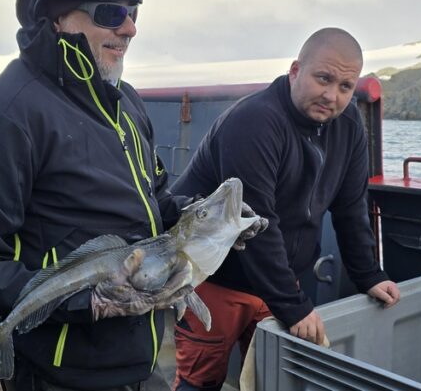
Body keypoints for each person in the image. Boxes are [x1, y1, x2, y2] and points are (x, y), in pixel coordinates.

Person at [0, 0, 264, 391]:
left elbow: (155, 203)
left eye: (134, 11)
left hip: (139, 362)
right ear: (55, 15)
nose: (130, 27)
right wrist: (88, 299)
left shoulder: (126, 105)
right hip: (59, 373)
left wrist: (206, 220)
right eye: (111, 12)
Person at [170, 28, 401, 391]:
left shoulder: (350, 124)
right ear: (295, 71)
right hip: (216, 277)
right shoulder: (254, 122)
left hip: (278, 278)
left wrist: (368, 274)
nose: (332, 95)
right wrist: (294, 306)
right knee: (200, 381)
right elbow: (257, 222)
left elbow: (351, 207)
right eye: (323, 78)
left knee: (271, 380)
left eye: (345, 86)